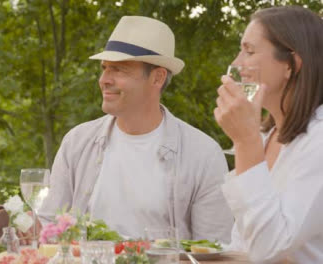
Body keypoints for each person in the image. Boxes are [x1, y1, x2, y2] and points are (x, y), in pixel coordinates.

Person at [36, 16, 233, 241]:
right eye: (104, 68)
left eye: (119, 70)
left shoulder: (203, 155)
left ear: (157, 78)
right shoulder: (77, 142)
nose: (104, 80)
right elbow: (48, 230)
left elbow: (214, 250)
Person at [215, 6, 323, 263]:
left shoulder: (318, 141)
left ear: (291, 65)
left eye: (249, 51)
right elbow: (244, 245)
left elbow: (268, 248)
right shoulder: (266, 136)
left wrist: (244, 141)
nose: (236, 64)